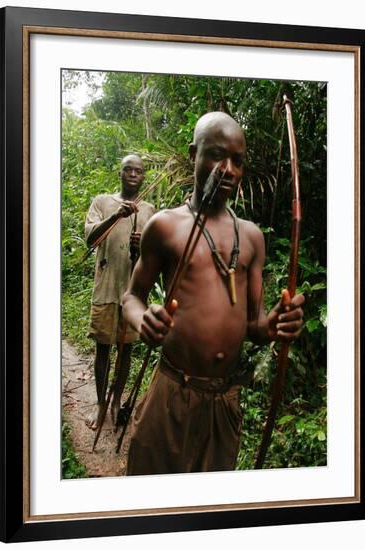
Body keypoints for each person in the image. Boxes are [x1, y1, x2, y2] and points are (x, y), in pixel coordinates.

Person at [122, 112, 304, 475]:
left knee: (209, 511)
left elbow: (253, 324)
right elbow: (132, 296)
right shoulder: (166, 227)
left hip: (224, 401)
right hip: (173, 392)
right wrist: (144, 319)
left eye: (238, 161)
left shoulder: (251, 237)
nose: (229, 169)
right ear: (194, 154)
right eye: (217, 156)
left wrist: (275, 325)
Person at [85, 154, 155, 430]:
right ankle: (101, 403)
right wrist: (116, 215)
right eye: (128, 169)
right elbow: (91, 239)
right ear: (120, 173)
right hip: (105, 288)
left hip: (133, 293)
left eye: (138, 171)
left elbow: (153, 256)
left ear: (144, 176)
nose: (133, 174)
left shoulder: (149, 210)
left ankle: (116, 401)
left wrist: (142, 247)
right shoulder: (102, 202)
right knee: (103, 348)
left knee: (126, 349)